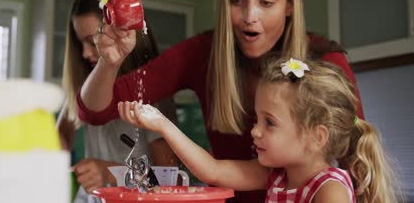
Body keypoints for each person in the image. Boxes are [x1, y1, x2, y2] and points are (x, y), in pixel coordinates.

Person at [77, 0, 364, 201]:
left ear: (290, 4)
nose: (250, 18)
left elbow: (361, 166)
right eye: (236, 0)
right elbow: (95, 111)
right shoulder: (203, 54)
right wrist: (109, 62)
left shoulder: (325, 64)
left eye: (266, 2)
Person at [119, 57, 404, 203]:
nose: (254, 131)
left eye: (270, 122)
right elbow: (212, 171)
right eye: (257, 119)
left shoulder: (329, 189)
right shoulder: (275, 176)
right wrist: (161, 124)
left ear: (316, 137)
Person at [56, 0, 179, 203]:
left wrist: (108, 172)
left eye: (93, 42)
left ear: (124, 36)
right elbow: (60, 137)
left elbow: (168, 183)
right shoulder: (84, 90)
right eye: (79, 43)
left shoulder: (151, 95)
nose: (84, 53)